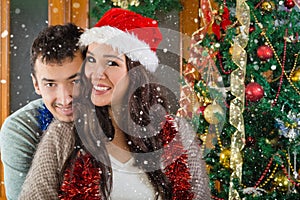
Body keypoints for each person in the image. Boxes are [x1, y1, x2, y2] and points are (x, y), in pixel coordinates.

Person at [19, 8, 211, 200]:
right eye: (92, 60)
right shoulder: (64, 134)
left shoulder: (177, 133)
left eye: (112, 63)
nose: (96, 73)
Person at [0, 23, 85, 200]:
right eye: (51, 84)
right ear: (36, 84)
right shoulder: (20, 128)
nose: (65, 98)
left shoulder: (115, 115)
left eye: (75, 81)